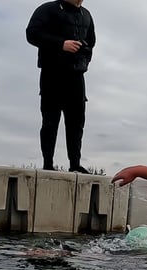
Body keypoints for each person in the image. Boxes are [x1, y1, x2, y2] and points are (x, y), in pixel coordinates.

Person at [26, 0, 96, 173]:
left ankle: (75, 164)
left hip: (76, 76)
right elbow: (32, 33)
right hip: (52, 74)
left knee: (76, 121)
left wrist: (85, 58)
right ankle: (48, 164)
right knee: (50, 121)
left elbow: (91, 41)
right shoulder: (48, 9)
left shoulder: (86, 15)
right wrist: (61, 44)